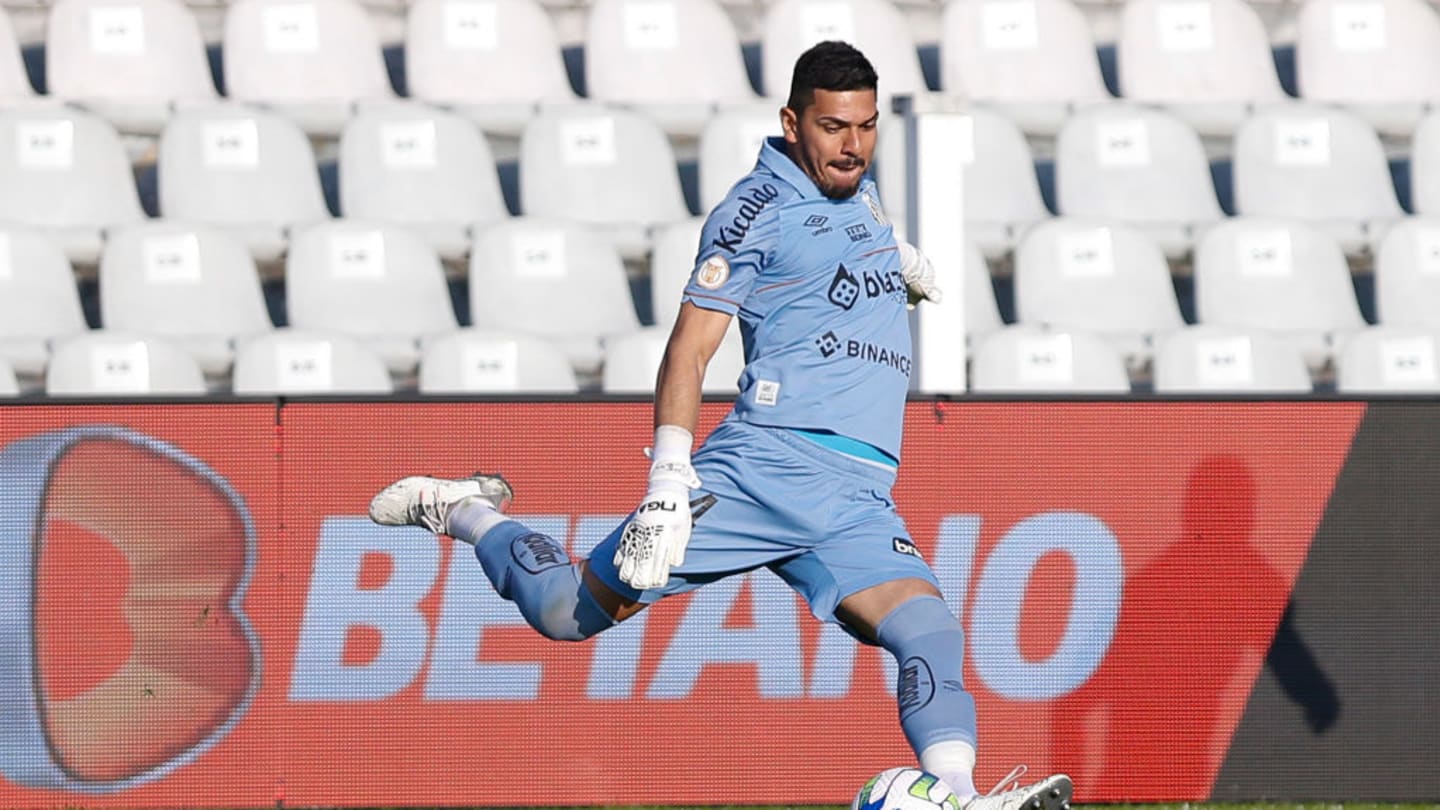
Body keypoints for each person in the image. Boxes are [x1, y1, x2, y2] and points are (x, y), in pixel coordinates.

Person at [368, 40, 1072, 810]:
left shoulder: (857, 196)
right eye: (835, 128)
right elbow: (689, 349)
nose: (854, 145)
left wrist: (889, 254)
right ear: (792, 123)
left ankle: (961, 797)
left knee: (930, 632)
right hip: (767, 469)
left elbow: (832, 249)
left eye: (867, 127)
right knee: (567, 612)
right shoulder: (751, 212)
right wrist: (669, 479)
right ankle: (466, 512)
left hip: (859, 494)